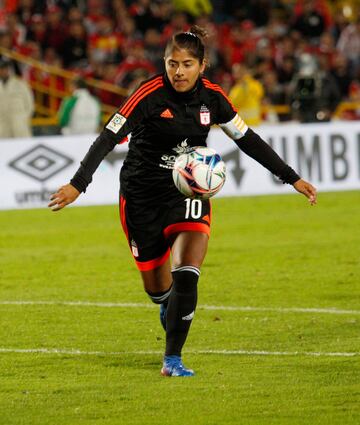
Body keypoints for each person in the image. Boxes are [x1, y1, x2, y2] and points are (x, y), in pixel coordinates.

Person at [49, 26, 317, 377]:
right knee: (158, 290)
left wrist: (291, 177)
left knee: (187, 275)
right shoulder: (148, 94)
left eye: (187, 64)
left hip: (187, 193)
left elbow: (248, 139)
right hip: (141, 197)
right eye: (172, 63)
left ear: (202, 65)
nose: (178, 71)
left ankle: (172, 359)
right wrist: (77, 185)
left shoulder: (213, 98)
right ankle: (167, 305)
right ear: (164, 62)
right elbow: (108, 137)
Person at [0, 56, 34, 139]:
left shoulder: (20, 84)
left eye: (5, 68)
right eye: (1, 69)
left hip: (19, 122)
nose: (3, 71)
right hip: (2, 123)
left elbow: (30, 104)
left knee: (24, 147)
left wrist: (24, 118)